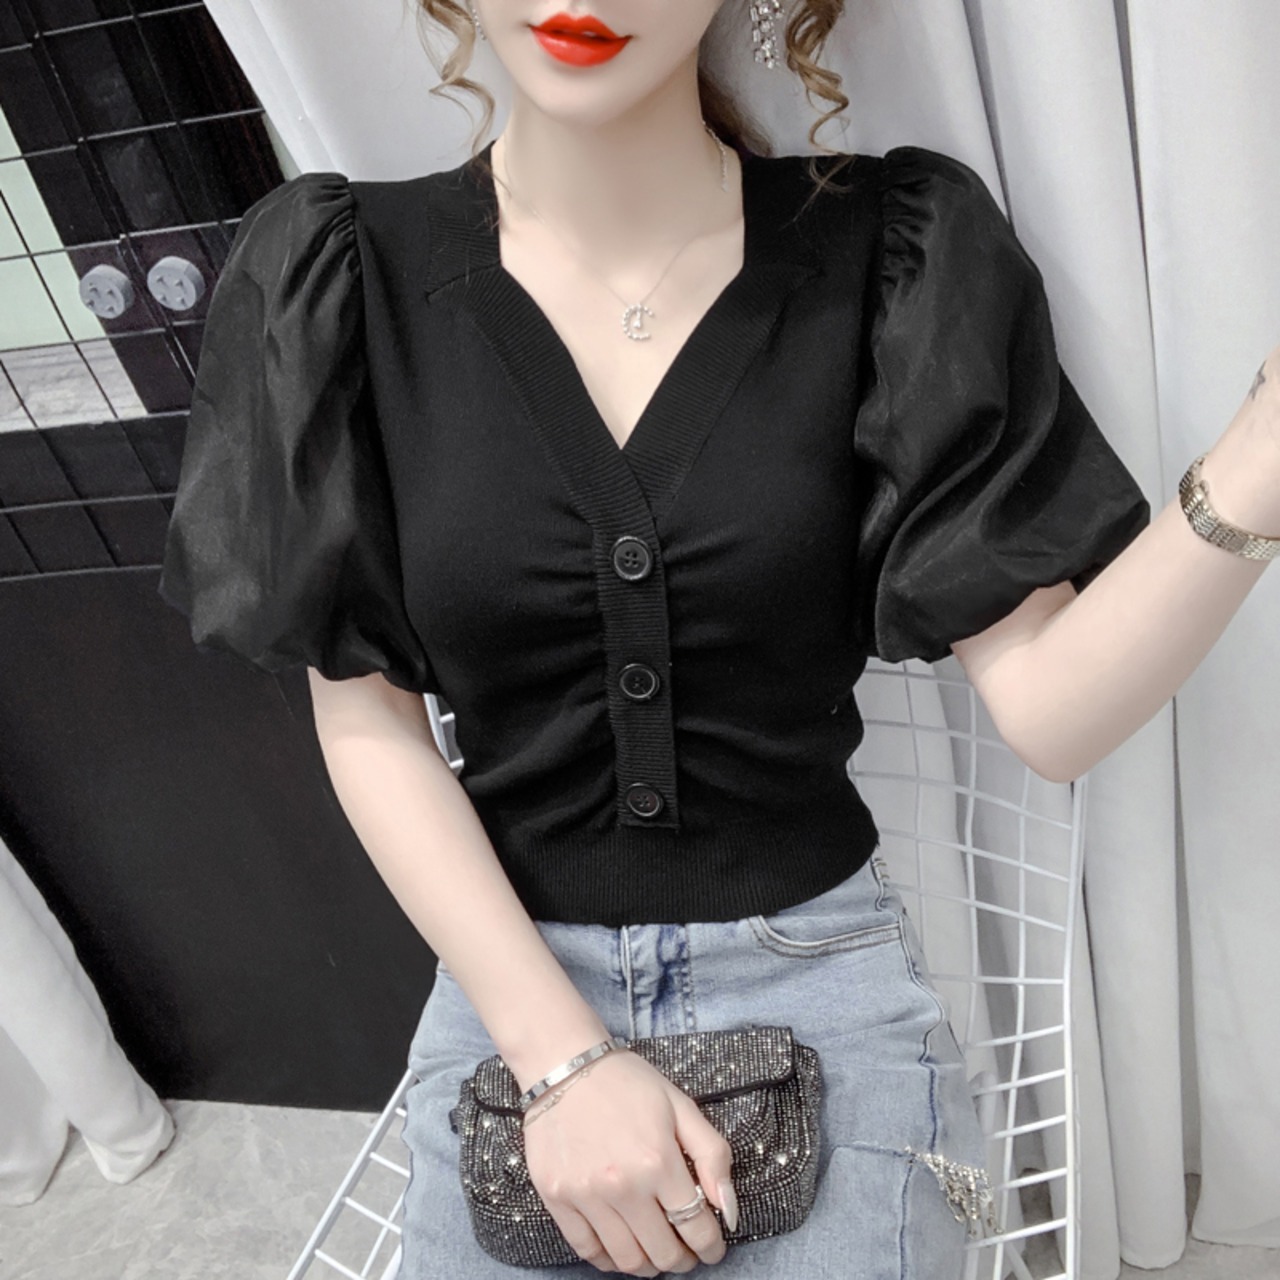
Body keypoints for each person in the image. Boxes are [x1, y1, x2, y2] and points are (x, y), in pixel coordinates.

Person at [157, 1, 1280, 1276]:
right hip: (510, 980)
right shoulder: (339, 277)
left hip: (816, 977)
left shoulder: (893, 253)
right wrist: (563, 1061)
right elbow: (368, 721)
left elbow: (1051, 707)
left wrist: (1259, 455)